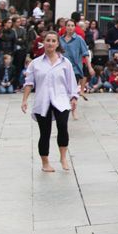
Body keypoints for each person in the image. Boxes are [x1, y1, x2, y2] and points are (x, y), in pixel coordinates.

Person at [21, 31, 79, 172]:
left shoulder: (65, 63)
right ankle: (45, 162)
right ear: (43, 42)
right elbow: (29, 83)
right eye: (48, 40)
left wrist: (74, 97)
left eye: (54, 41)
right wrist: (24, 100)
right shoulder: (36, 63)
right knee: (45, 133)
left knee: (62, 126)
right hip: (43, 101)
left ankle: (63, 157)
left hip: (61, 100)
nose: (50, 43)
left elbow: (71, 81)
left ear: (57, 44)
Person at [60, 20, 93, 110]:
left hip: (75, 68)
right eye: (68, 25)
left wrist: (90, 67)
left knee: (72, 89)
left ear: (75, 27)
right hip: (62, 68)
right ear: (65, 27)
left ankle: (73, 107)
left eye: (72, 25)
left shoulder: (79, 39)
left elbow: (85, 54)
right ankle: (66, 106)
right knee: (64, 89)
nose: (70, 27)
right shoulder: (60, 39)